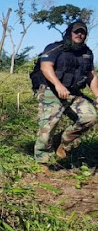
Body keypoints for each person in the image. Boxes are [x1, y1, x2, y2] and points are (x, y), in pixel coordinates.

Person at [32, 21, 98, 163]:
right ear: (69, 33)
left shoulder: (87, 53)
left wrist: (97, 96)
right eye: (76, 32)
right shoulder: (55, 48)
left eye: (83, 33)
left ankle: (63, 143)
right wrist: (58, 85)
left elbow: (91, 76)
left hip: (73, 93)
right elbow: (45, 66)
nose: (79, 35)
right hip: (51, 91)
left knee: (90, 117)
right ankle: (42, 161)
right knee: (48, 126)